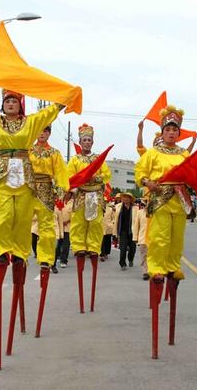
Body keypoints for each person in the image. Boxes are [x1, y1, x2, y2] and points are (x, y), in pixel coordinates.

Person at [0, 72, 64, 370]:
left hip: (26, 177)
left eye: (14, 100)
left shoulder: (31, 124)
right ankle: (1, 251)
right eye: (7, 100)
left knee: (25, 221)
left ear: (21, 104)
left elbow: (50, 111)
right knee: (0, 215)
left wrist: (63, 97)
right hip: (2, 172)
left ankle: (26, 254)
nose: (10, 103)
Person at [135, 105, 191, 359]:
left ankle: (172, 265)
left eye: (174, 129)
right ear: (162, 131)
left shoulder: (183, 154)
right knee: (158, 238)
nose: (171, 132)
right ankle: (157, 267)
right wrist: (149, 183)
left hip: (178, 201)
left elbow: (192, 173)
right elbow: (140, 174)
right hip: (159, 198)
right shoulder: (153, 153)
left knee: (176, 238)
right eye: (167, 128)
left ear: (178, 133)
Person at [67, 124, 112, 313]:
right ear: (80, 141)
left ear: (92, 142)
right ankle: (78, 247)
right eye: (84, 140)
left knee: (95, 224)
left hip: (94, 195)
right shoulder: (75, 159)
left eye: (89, 140)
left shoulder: (98, 159)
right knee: (78, 223)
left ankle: (93, 247)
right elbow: (69, 176)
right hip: (81, 195)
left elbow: (106, 175)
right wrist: (76, 184)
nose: (87, 142)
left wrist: (95, 179)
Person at [29, 124, 69, 281]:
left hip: (46, 189)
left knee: (46, 225)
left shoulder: (54, 153)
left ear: (49, 134)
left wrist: (61, 190)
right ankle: (19, 254)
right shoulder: (28, 150)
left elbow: (60, 173)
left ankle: (45, 258)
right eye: (40, 130)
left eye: (45, 130)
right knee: (24, 222)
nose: (42, 133)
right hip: (29, 188)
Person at [113, 192, 137, 270]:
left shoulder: (135, 208)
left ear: (131, 199)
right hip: (122, 231)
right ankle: (122, 263)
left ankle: (130, 259)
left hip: (132, 231)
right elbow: (114, 218)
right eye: (124, 197)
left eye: (127, 197)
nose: (125, 199)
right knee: (123, 248)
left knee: (132, 248)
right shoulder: (118, 207)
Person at [132, 198, 149, 280]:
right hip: (142, 238)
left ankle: (152, 270)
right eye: (146, 202)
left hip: (154, 239)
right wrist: (135, 237)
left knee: (151, 256)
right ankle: (145, 272)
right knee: (144, 256)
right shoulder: (139, 213)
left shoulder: (155, 213)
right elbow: (136, 226)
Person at [57, 198, 73, 267]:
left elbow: (74, 214)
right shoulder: (60, 201)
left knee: (66, 245)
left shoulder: (73, 203)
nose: (67, 194)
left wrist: (67, 221)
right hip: (60, 226)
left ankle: (64, 261)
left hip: (68, 226)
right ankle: (57, 256)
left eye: (69, 193)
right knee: (58, 244)